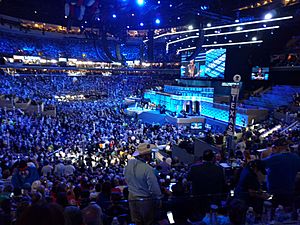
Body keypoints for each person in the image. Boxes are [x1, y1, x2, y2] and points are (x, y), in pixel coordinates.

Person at [124, 143, 162, 225]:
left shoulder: (128, 165)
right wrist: (158, 200)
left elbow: (126, 180)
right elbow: (154, 189)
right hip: (145, 200)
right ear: (145, 155)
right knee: (148, 222)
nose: (151, 156)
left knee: (137, 222)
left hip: (132, 198)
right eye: (150, 154)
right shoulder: (148, 169)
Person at [263, 138, 300, 206]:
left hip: (274, 191)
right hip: (290, 190)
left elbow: (259, 165)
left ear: (276, 147)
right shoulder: (296, 157)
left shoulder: (275, 158)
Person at [188, 149, 225, 214]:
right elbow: (222, 184)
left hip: (198, 201)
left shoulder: (194, 168)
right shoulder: (219, 169)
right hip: (213, 201)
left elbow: (189, 180)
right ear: (213, 158)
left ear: (203, 157)